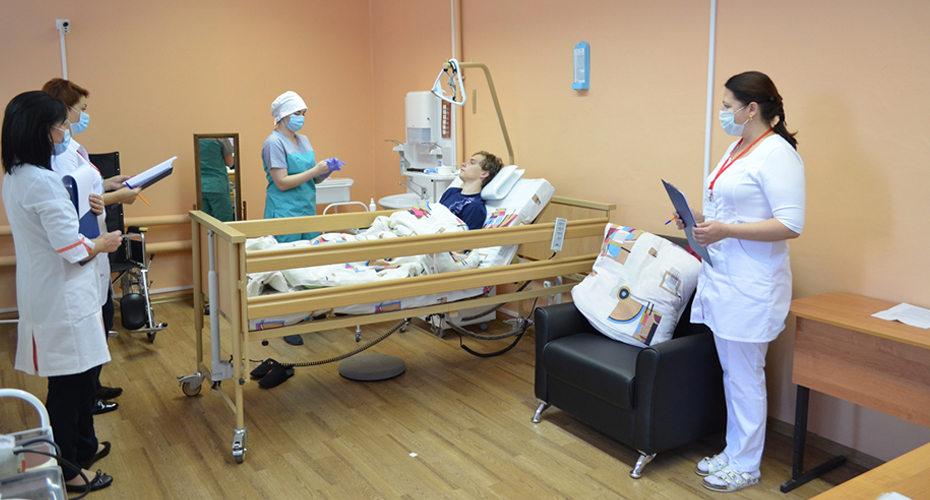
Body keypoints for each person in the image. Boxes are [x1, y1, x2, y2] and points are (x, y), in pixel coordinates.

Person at [674, 71, 805, 493]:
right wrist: (697, 219)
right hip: (725, 276)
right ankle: (733, 452)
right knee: (733, 373)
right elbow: (729, 208)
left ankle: (746, 465)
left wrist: (727, 230)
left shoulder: (777, 153)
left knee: (746, 376)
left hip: (753, 284)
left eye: (728, 105)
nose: (722, 112)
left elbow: (790, 224)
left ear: (752, 109)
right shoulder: (738, 147)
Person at [2, 91, 123, 492]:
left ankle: (83, 447)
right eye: (61, 125)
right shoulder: (42, 182)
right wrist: (103, 243)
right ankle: (69, 468)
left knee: (81, 378)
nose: (65, 132)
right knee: (69, 387)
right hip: (63, 297)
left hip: (53, 291)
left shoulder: (16, 175)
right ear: (42, 131)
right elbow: (72, 249)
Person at [42, 78, 139, 415]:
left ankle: (92, 387)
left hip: (94, 249)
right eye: (81, 109)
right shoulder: (56, 157)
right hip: (82, 250)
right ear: (63, 109)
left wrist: (108, 184)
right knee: (91, 329)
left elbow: (89, 188)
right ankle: (87, 397)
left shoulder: (70, 146)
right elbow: (74, 202)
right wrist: (118, 196)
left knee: (103, 317)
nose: (85, 115)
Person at [262, 91, 341, 346]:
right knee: (287, 268)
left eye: (304, 114)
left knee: (309, 263)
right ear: (284, 115)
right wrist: (315, 170)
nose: (301, 118)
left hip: (307, 208)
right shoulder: (273, 143)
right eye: (297, 113)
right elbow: (282, 182)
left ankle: (309, 313)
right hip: (284, 210)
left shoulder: (303, 140)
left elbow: (312, 179)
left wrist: (325, 172)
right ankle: (288, 321)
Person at [439, 151, 503, 230]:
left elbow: (466, 237)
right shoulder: (451, 192)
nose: (463, 164)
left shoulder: (475, 207)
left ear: (484, 174)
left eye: (472, 163)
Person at [199, 137, 235, 222]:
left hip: (199, 185)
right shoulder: (221, 137)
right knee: (224, 223)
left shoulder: (192, 137)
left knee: (203, 223)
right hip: (217, 185)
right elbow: (230, 163)